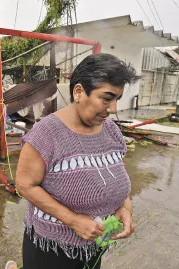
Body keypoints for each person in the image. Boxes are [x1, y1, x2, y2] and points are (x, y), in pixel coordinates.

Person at [13, 53, 138, 269]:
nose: (113, 109)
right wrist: (74, 220)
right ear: (79, 91)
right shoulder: (46, 134)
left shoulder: (111, 131)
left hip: (94, 243)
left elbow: (116, 176)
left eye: (117, 99)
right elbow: (25, 185)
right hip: (51, 249)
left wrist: (125, 207)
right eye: (106, 98)